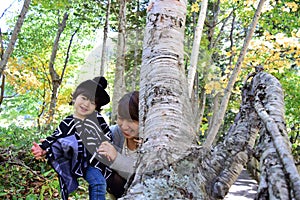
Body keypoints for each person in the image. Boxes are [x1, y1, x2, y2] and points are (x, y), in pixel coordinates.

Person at [31, 76, 113, 200]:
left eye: (92, 102)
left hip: (92, 161)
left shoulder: (98, 120)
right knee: (95, 182)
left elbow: (106, 136)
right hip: (73, 159)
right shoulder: (68, 122)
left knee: (98, 183)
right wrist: (42, 149)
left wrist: (107, 148)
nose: (86, 104)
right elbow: (55, 138)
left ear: (96, 107)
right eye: (84, 98)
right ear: (75, 98)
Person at [98, 91, 141, 198]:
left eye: (132, 120)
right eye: (121, 118)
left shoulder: (155, 142)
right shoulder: (113, 134)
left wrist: (117, 159)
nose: (124, 126)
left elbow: (147, 178)